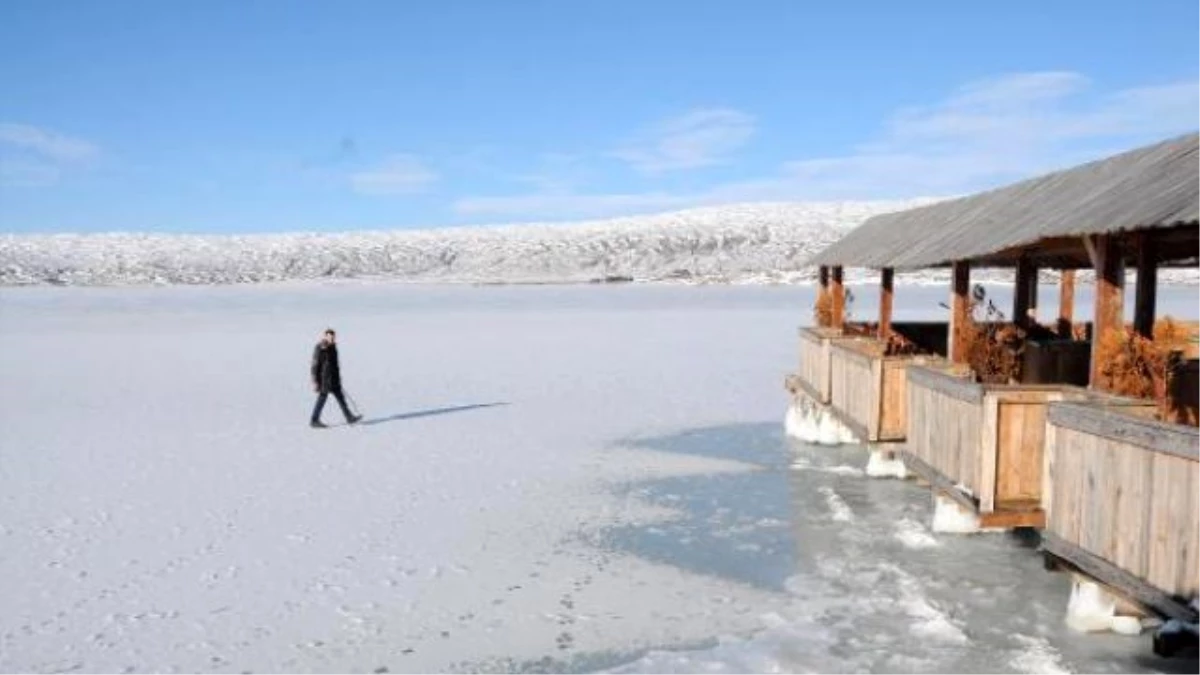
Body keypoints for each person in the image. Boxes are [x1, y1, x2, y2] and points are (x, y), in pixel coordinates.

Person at [310, 328, 361, 428]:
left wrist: (338, 378)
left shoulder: (333, 348)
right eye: (330, 337)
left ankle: (349, 417)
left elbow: (335, 365)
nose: (332, 339)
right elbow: (315, 365)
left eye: (333, 337)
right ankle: (314, 420)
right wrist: (315, 381)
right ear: (325, 336)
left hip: (334, 379)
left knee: (341, 398)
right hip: (324, 379)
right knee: (322, 399)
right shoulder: (320, 348)